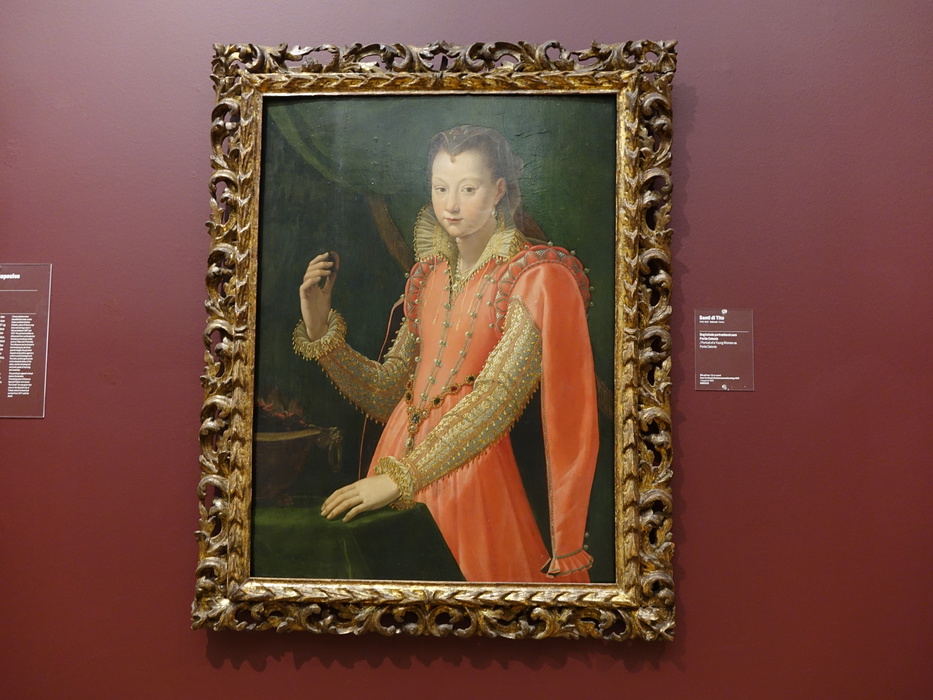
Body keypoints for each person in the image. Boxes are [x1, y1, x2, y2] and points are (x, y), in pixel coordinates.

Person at [293, 125, 598, 583]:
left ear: (499, 190)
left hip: (468, 477)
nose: (451, 205)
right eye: (440, 189)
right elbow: (384, 392)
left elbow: (496, 399)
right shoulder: (430, 275)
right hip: (392, 468)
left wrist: (403, 477)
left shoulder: (535, 278)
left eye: (468, 189)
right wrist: (320, 332)